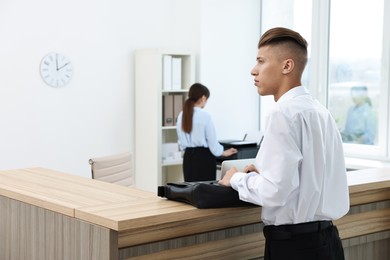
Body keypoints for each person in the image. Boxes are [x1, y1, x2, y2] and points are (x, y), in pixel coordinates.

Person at [219, 27, 349, 260]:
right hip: (329, 241)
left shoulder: (283, 113)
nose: (253, 70)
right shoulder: (320, 111)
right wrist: (261, 174)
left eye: (261, 61)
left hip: (295, 247)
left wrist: (236, 179)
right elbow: (311, 175)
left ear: (287, 66)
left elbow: (274, 192)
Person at [176, 83, 237, 182]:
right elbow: (212, 142)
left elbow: (181, 143)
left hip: (188, 157)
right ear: (203, 98)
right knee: (205, 190)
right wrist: (223, 152)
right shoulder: (205, 115)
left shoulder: (181, 115)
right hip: (204, 158)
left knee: (190, 189)